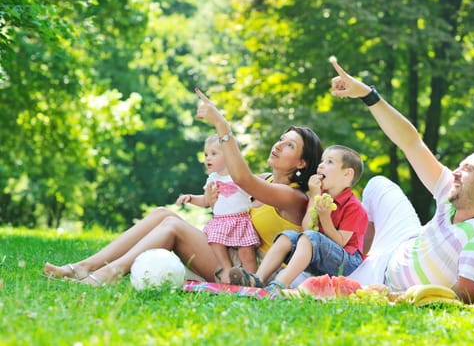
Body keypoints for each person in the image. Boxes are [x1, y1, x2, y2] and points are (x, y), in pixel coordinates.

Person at [43, 89, 323, 286]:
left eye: (289, 145)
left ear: (301, 162)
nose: (278, 144)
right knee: (162, 214)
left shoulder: (294, 196)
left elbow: (242, 179)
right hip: (228, 250)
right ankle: (84, 267)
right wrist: (214, 199)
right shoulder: (268, 179)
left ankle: (107, 275)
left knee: (172, 227)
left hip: (251, 271)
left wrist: (222, 125)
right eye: (281, 139)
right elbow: (233, 186)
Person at [330, 58, 474, 304]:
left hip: (383, 278)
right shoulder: (451, 193)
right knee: (377, 184)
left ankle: (356, 268)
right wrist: (366, 94)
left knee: (304, 280)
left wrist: (396, 296)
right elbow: (411, 142)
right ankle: (357, 256)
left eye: (467, 169)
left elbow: (469, 295)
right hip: (402, 242)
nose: (456, 171)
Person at [228, 145, 369, 292]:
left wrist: (325, 218)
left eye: (330, 162)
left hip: (346, 263)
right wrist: (314, 195)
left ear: (347, 174)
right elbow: (307, 227)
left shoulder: (355, 208)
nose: (321, 165)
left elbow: (340, 243)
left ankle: (279, 285)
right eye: (322, 161)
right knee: (287, 236)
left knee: (311, 237)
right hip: (318, 257)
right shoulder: (319, 195)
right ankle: (257, 279)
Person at [175, 134, 260, 284]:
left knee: (247, 253)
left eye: (214, 154)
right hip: (220, 221)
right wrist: (190, 198)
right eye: (206, 154)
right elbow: (206, 200)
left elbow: (255, 194)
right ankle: (226, 269)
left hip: (240, 221)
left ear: (229, 156)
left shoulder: (239, 176)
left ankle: (253, 279)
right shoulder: (213, 178)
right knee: (215, 242)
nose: (208, 158)